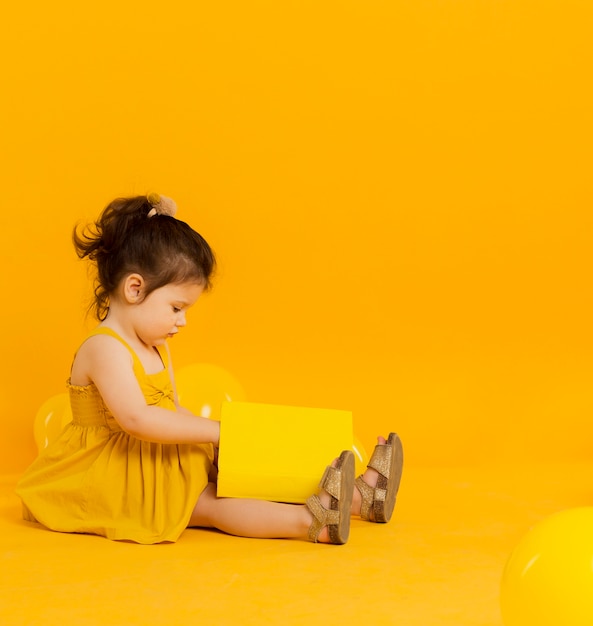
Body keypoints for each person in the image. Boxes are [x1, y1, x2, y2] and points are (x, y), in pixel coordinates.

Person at [16, 193, 403, 545]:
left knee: (240, 471)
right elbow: (136, 418)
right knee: (210, 503)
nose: (181, 321)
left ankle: (356, 497)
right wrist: (219, 432)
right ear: (135, 289)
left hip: (157, 456)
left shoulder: (156, 345)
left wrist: (219, 443)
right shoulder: (104, 348)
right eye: (176, 308)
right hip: (115, 474)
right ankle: (309, 521)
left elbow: (171, 409)